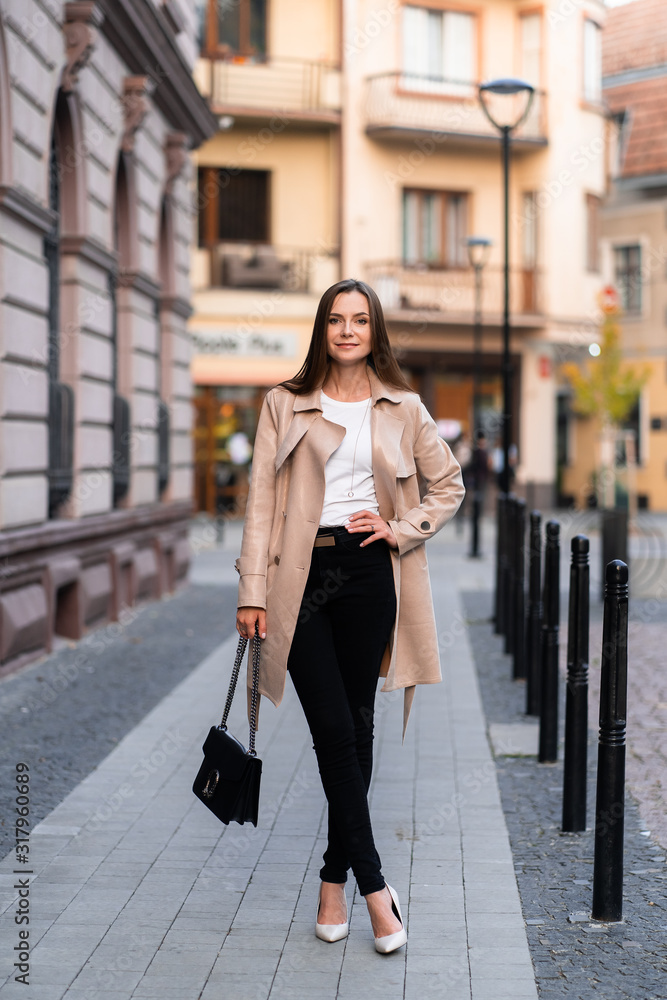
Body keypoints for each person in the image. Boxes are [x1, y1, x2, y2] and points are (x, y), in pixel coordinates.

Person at [235, 278, 465, 954]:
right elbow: (258, 505)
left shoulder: (404, 406)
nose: (346, 331)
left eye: (359, 320)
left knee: (356, 731)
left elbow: (447, 483)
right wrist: (251, 591)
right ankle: (375, 890)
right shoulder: (284, 403)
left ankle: (331, 879)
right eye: (335, 320)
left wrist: (403, 526)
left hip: (368, 572)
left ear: (374, 331)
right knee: (333, 730)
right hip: (296, 580)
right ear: (321, 329)